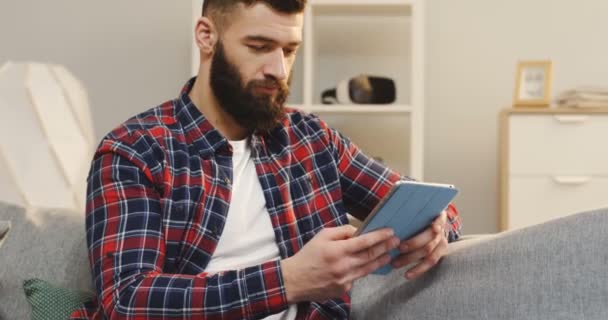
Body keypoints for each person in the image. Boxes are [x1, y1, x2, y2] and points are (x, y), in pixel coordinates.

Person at [71, 1, 461, 319]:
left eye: (289, 50)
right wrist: (290, 279)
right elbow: (128, 300)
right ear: (206, 37)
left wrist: (437, 226)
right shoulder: (134, 151)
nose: (277, 69)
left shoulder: (309, 138)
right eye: (258, 47)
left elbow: (424, 201)